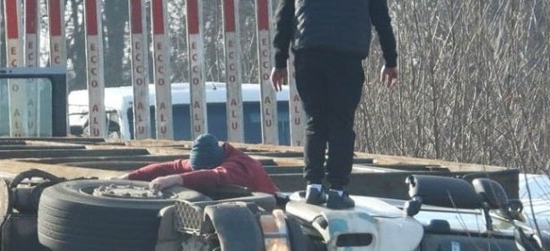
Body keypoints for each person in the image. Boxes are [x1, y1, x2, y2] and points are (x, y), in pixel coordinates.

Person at [270, 0, 399, 209]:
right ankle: (338, 190)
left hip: (308, 52)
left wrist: (279, 62)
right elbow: (381, 18)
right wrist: (390, 60)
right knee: (341, 124)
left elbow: (283, 17)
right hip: (346, 55)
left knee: (315, 121)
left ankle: (313, 186)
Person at [124, 133, 279, 195]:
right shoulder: (210, 159)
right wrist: (130, 177)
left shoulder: (241, 166)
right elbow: (169, 167)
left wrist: (178, 179)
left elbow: (216, 176)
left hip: (267, 217)